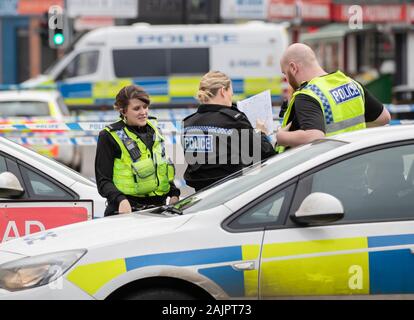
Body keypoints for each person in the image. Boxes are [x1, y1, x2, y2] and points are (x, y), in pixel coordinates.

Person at [276, 43, 391, 153]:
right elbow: (384, 117)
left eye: (285, 73)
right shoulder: (350, 83)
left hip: (329, 167)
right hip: (357, 162)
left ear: (293, 68)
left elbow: (315, 137)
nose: (286, 78)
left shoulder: (308, 95)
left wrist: (282, 137)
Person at [182, 71, 276, 191]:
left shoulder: (187, 124)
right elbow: (266, 153)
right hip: (231, 195)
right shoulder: (234, 120)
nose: (232, 96)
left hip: (200, 196)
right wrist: (260, 132)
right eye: (231, 92)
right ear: (223, 91)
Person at [95, 85, 180, 216]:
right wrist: (121, 200)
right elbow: (103, 181)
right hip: (126, 211)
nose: (143, 112)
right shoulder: (108, 136)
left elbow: (161, 167)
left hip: (159, 210)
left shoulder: (155, 129)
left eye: (145, 107)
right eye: (136, 108)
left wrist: (174, 193)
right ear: (123, 111)